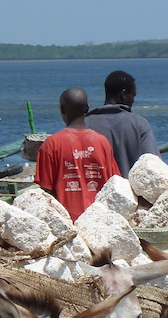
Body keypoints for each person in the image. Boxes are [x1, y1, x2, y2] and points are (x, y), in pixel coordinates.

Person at [35, 87, 120, 220]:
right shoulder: (102, 142)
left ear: (62, 109)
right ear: (87, 109)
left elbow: (46, 192)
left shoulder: (51, 144)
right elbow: (114, 183)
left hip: (67, 223)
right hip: (99, 220)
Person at [84, 70, 160, 177]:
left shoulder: (85, 124)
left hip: (95, 192)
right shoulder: (139, 124)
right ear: (123, 94)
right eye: (133, 95)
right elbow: (153, 165)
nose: (133, 100)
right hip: (129, 192)